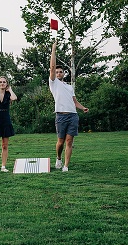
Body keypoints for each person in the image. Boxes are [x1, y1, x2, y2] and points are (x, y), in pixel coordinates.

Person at [49, 42, 89, 172]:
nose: (59, 73)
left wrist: (82, 108)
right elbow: (52, 66)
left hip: (73, 116)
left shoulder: (69, 86)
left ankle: (66, 166)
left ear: (64, 74)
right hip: (61, 116)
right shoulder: (54, 83)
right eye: (57, 72)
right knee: (60, 141)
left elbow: (74, 101)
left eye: (61, 72)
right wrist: (54, 49)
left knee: (69, 141)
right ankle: (59, 158)